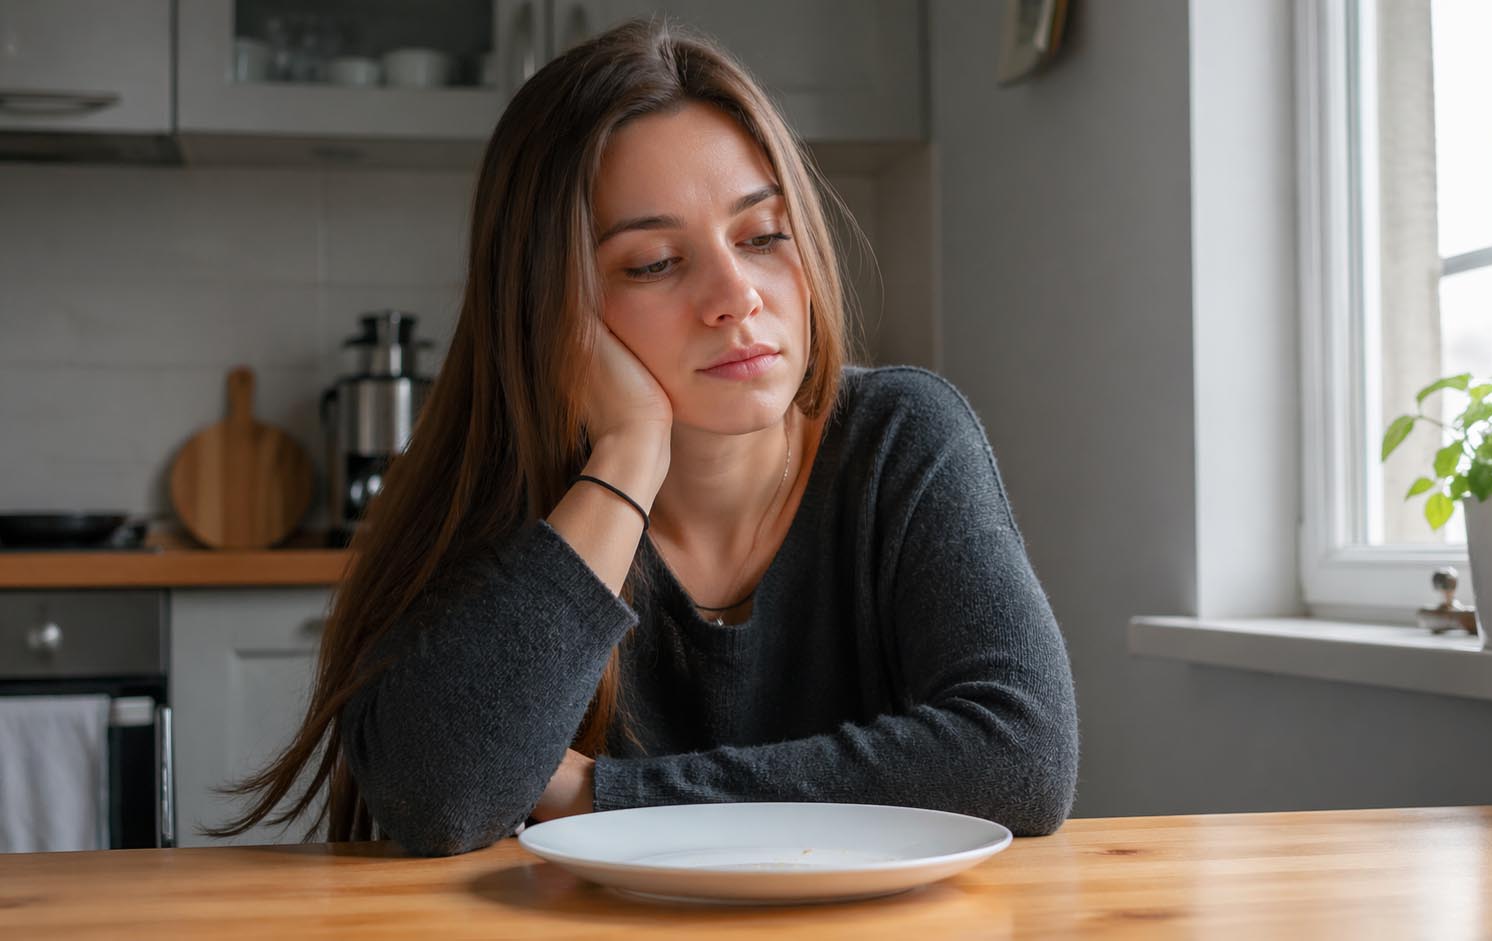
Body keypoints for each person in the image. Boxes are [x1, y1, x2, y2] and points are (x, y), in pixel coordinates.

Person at [206, 16, 1079, 857]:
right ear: (554, 308)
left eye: (763, 235)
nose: (736, 295)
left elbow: (1021, 758)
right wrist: (628, 453)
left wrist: (607, 795)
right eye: (654, 262)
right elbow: (438, 799)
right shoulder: (506, 493)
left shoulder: (903, 436)